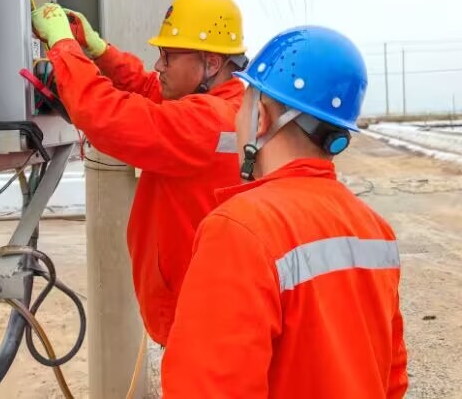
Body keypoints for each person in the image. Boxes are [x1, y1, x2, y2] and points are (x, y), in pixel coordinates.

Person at [161, 25, 408, 398]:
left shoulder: (240, 230)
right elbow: (391, 379)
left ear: (260, 118)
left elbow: (206, 388)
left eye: (242, 106)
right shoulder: (375, 231)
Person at [30, 0, 249, 347]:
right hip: (203, 308)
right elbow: (151, 89)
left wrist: (63, 45)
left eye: (168, 56)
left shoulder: (209, 122)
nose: (159, 66)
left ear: (211, 63)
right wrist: (100, 51)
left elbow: (106, 116)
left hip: (196, 325)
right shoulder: (230, 104)